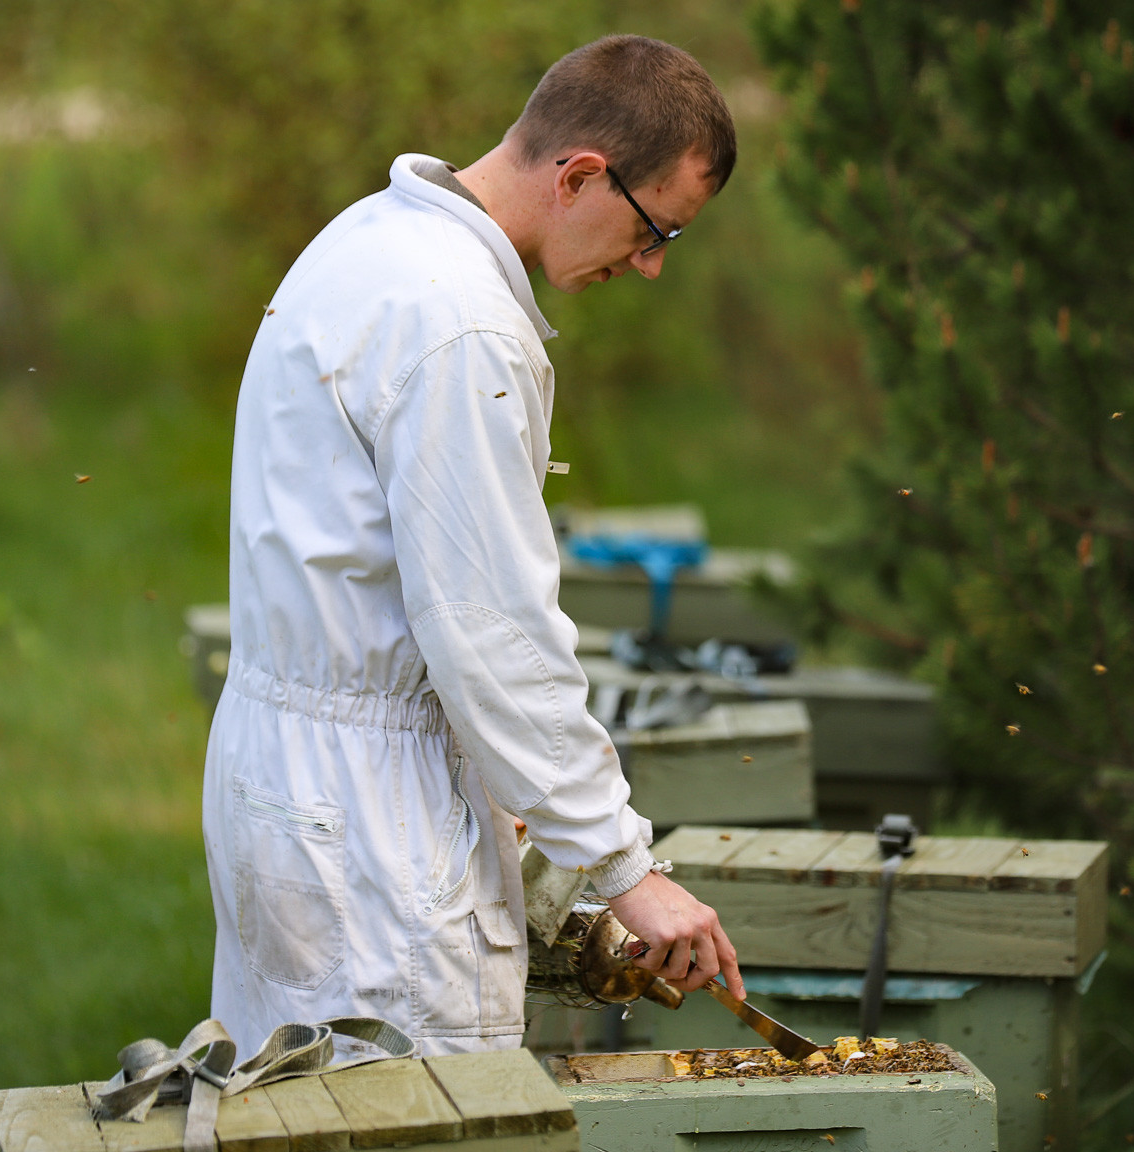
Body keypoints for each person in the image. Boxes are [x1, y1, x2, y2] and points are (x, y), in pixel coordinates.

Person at [202, 34, 745, 1057]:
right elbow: (488, 629)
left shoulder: (370, 239)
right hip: (372, 823)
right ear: (581, 172)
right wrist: (627, 868)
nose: (652, 264)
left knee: (287, 1112)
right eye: (654, 228)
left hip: (281, 778)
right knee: (425, 1120)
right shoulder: (463, 327)